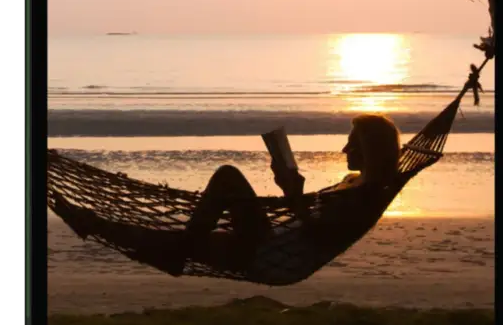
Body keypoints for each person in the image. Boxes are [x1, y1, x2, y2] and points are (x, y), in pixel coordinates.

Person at [53, 113, 401, 280]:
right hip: (274, 244)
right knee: (172, 241)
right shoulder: (353, 181)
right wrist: (291, 191)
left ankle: (97, 225)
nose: (344, 148)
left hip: (277, 253)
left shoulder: (366, 194)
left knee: (227, 177)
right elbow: (312, 223)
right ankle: (90, 223)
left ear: (371, 149)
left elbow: (322, 234)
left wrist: (292, 193)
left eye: (353, 142)